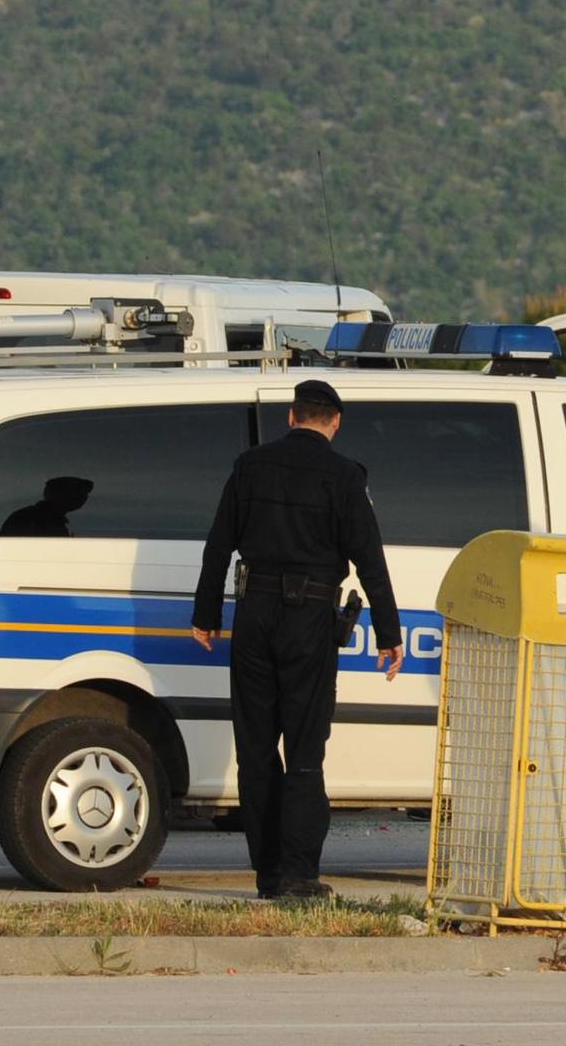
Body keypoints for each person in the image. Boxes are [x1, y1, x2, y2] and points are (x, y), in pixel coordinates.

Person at [191, 379, 403, 900]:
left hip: (254, 614)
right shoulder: (345, 477)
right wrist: (388, 633)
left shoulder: (249, 466)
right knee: (305, 749)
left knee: (256, 748)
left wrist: (206, 614)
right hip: (310, 618)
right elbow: (370, 560)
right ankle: (299, 876)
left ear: (291, 416)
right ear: (335, 422)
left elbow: (219, 544)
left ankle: (267, 875)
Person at [0, 476, 94, 537]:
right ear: (60, 494)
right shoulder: (38, 521)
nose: (84, 498)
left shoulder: (27, 516)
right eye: (77, 492)